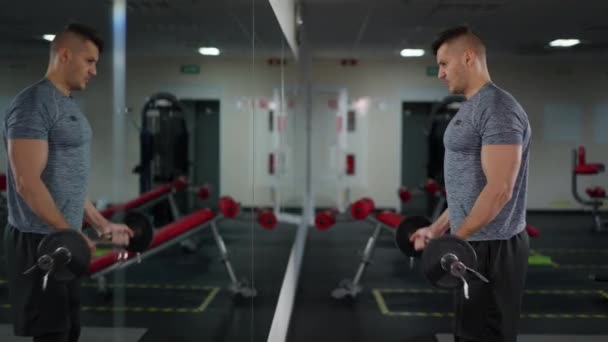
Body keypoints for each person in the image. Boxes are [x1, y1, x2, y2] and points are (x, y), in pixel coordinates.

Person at [2, 23, 133, 342]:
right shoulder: (34, 104)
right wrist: (72, 234)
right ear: (64, 55)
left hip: (61, 238)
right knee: (52, 334)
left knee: (69, 329)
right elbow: (26, 182)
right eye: (89, 61)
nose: (94, 71)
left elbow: (68, 184)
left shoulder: (66, 104)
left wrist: (100, 224)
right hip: (39, 241)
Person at [410, 26, 532, 342]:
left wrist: (454, 241)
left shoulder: (498, 109)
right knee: (467, 333)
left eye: (443, 64)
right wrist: (438, 230)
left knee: (487, 334)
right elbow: (470, 192)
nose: (439, 73)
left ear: (468, 58)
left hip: (493, 246)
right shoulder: (473, 107)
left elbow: (500, 189)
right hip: (474, 241)